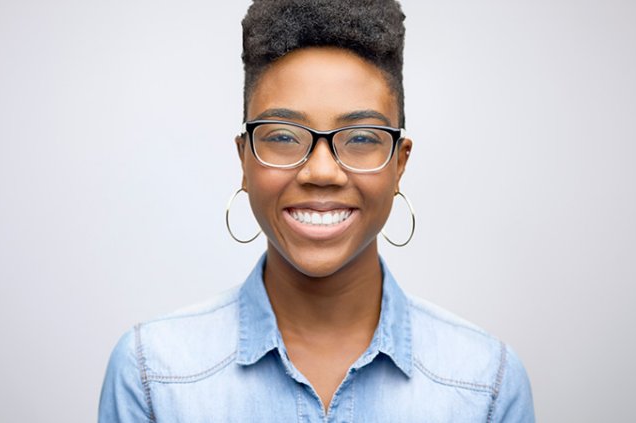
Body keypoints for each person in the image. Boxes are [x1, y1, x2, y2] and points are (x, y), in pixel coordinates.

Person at [99, 0, 535, 421]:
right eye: (285, 136)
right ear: (244, 161)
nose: (321, 171)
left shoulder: (485, 385)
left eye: (361, 137)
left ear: (399, 164)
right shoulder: (152, 376)